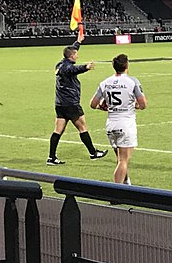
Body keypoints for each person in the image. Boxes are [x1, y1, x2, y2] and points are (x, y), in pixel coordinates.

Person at [47, 34, 107, 165]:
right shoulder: (67, 68)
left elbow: (71, 53)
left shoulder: (60, 64)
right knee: (82, 127)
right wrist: (85, 67)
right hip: (71, 104)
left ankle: (51, 158)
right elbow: (73, 70)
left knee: (58, 130)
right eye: (76, 54)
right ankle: (93, 153)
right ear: (71, 56)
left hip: (60, 103)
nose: (77, 56)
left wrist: (78, 42)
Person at [89, 54, 147, 185]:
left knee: (120, 159)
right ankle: (116, 190)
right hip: (126, 124)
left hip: (111, 124)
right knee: (123, 161)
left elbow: (93, 104)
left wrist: (102, 107)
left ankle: (127, 184)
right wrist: (135, 105)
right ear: (126, 65)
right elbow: (143, 104)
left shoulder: (105, 82)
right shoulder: (132, 82)